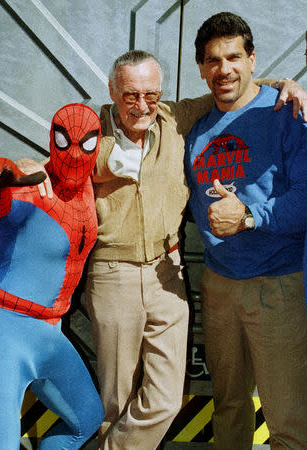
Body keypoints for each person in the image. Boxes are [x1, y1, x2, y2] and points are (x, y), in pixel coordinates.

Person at [84, 48, 307, 450]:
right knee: (115, 402)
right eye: (131, 95)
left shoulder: (173, 117)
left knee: (166, 399)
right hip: (113, 272)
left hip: (167, 273)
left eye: (151, 94)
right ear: (113, 92)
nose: (142, 105)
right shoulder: (90, 132)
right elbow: (52, 166)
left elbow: (234, 90)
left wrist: (285, 85)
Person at [185, 12, 307, 449]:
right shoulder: (195, 131)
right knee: (229, 408)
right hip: (219, 286)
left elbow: (304, 199)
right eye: (213, 60)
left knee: (288, 421)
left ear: (253, 59)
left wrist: (250, 216)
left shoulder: (286, 114)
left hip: (277, 285)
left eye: (234, 56)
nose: (224, 69)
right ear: (201, 67)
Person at [0, 103, 104, 449]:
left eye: (86, 144)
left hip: (48, 333)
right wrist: (2, 175)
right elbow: (2, 203)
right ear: (51, 140)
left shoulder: (91, 188)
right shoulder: (34, 189)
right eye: (64, 142)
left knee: (86, 418)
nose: (75, 154)